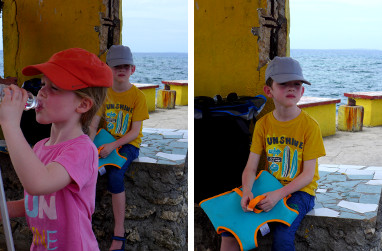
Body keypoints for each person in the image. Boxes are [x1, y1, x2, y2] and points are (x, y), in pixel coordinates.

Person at [0, 48, 112, 250]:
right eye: (43, 84)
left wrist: (9, 124)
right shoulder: (41, 147)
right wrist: (4, 209)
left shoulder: (83, 150)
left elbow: (38, 183)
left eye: (55, 88)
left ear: (83, 104)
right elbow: (39, 204)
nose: (41, 91)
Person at [221, 56, 326, 251]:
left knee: (282, 233)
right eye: (284, 83)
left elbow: (308, 175)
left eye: (297, 84)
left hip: (300, 192)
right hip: (270, 186)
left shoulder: (310, 127)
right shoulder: (263, 125)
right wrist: (247, 190)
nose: (291, 88)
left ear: (302, 91)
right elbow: (251, 167)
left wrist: (279, 194)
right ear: (268, 91)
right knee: (230, 229)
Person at [89, 45, 149, 251]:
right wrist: (87, 146)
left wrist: (113, 146)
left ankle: (119, 233)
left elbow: (134, 132)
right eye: (116, 66)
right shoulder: (104, 94)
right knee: (87, 173)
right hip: (104, 143)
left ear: (132, 69)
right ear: (108, 69)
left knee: (115, 175)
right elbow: (94, 124)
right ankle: (83, 225)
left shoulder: (138, 97)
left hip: (127, 145)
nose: (121, 70)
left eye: (125, 66)